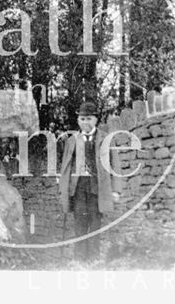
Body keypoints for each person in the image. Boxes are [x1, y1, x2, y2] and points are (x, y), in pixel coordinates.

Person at [59, 101, 121, 262]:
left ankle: (93, 258)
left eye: (89, 119)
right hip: (78, 188)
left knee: (95, 223)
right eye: (82, 119)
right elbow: (66, 166)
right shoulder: (72, 140)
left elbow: (116, 165)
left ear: (96, 120)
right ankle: (79, 258)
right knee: (79, 222)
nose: (85, 122)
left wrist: (116, 190)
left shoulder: (106, 139)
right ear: (78, 121)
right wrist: (63, 187)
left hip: (97, 187)